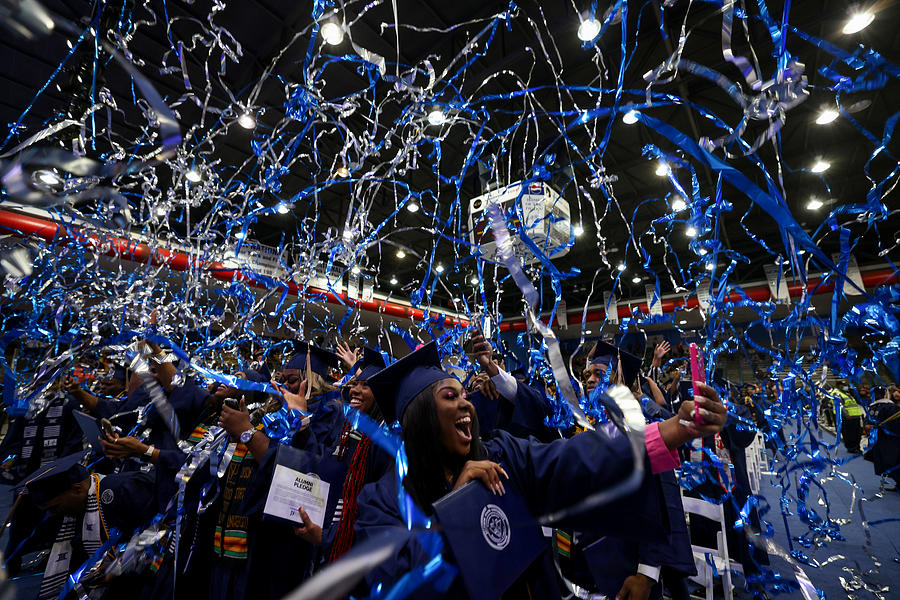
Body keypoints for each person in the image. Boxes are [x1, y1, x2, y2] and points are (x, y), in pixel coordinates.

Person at [354, 341, 727, 598]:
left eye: (465, 394)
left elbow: (573, 458)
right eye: (450, 397)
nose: (467, 404)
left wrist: (674, 429)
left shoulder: (501, 457)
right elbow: (393, 585)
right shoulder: (383, 501)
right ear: (420, 418)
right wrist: (452, 514)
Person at [20, 452, 156, 599]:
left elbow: (161, 528)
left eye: (54, 507)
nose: (52, 514)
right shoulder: (80, 508)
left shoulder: (125, 488)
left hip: (152, 576)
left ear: (77, 489)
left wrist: (121, 564)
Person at [864, 385, 900, 490]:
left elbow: (895, 423)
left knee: (892, 460)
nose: (877, 396)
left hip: (889, 440)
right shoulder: (873, 405)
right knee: (882, 461)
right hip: (878, 439)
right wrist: (867, 425)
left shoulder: (890, 407)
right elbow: (868, 418)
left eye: (879, 393)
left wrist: (881, 427)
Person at [835, 384, 864, 453]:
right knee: (850, 434)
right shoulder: (839, 395)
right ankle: (851, 448)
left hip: (856, 416)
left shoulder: (849, 395)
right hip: (848, 417)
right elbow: (840, 406)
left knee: (857, 433)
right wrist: (846, 414)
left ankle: (857, 447)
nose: (846, 387)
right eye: (844, 386)